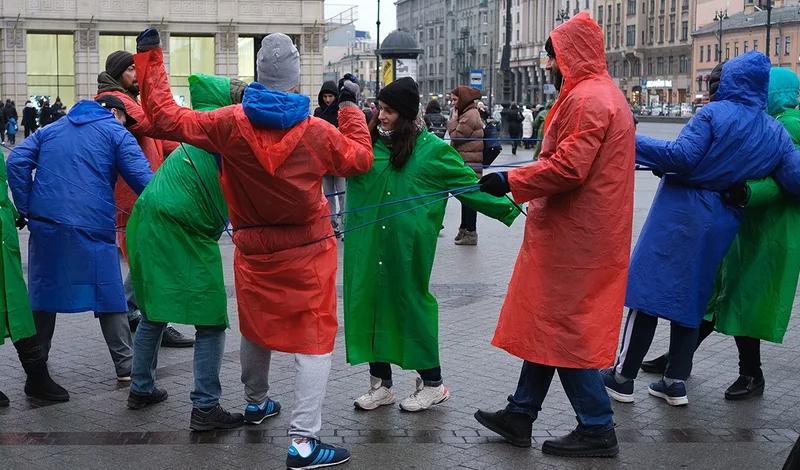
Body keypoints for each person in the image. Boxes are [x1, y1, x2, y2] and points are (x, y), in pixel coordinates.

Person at [133, 28, 373, 469]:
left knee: (256, 325)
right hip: (308, 247)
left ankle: (256, 402)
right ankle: (303, 443)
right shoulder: (317, 132)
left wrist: (150, 56)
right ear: (296, 81)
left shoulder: (228, 124)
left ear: (259, 76)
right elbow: (360, 159)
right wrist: (351, 107)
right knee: (315, 339)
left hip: (253, 245)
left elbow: (166, 118)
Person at [474, 13, 635, 457]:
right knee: (550, 322)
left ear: (572, 55)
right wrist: (516, 179)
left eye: (554, 56)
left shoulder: (588, 99)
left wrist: (511, 181)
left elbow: (569, 167)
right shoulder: (597, 94)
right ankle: (520, 414)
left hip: (578, 236)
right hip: (581, 231)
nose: (549, 65)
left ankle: (598, 426)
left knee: (566, 331)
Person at [603, 52, 800, 408]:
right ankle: (675, 382)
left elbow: (682, 157)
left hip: (679, 215)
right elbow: (795, 179)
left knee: (646, 296)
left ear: (730, 81)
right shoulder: (775, 132)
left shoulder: (711, 114)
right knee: (692, 299)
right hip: (722, 220)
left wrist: (631, 139)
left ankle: (622, 375)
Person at [345, 77, 520, 412]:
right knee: (369, 304)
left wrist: (517, 204)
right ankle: (380, 384)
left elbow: (472, 187)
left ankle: (433, 383)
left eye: (389, 111)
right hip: (366, 248)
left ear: (408, 115)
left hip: (406, 252)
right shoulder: (365, 147)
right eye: (380, 109)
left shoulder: (432, 151)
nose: (381, 116)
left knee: (411, 307)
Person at [126, 73, 248, 431]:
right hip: (183, 228)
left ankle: (141, 388)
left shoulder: (198, 128)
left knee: (153, 310)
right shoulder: (226, 134)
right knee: (211, 320)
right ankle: (206, 406)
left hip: (148, 218)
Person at [7, 95, 153, 386]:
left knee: (43, 295)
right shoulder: (115, 132)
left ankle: (37, 368)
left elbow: (17, 161)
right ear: (114, 112)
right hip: (93, 227)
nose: (126, 125)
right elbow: (145, 182)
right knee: (109, 294)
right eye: (125, 118)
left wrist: (27, 208)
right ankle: (126, 366)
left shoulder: (51, 130)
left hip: (47, 225)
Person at [96, 49, 193, 348]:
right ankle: (146, 316)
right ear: (117, 74)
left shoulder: (129, 100)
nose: (136, 76)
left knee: (148, 258)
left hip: (145, 192)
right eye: (131, 71)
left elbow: (160, 138)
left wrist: (191, 142)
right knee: (151, 259)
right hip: (134, 196)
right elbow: (153, 124)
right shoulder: (114, 100)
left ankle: (132, 310)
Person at [0, 151, 69, 406]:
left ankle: (37, 377)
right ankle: (37, 377)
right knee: (15, 308)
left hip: (4, 235)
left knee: (17, 308)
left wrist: (16, 213)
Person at [447, 86, 484, 246]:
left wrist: (453, 119)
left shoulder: (469, 115)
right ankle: (464, 228)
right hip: (468, 161)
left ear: (463, 100)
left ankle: (470, 232)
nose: (453, 104)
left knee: (469, 199)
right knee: (465, 197)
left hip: (470, 163)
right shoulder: (468, 113)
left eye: (455, 100)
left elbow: (456, 137)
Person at [314, 80, 347, 237]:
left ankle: (345, 223)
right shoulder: (318, 112)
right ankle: (332, 224)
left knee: (342, 194)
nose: (328, 99)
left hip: (339, 160)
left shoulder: (341, 113)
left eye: (331, 96)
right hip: (325, 161)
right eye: (325, 96)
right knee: (328, 196)